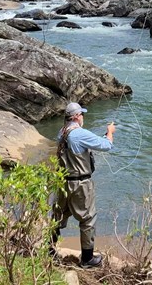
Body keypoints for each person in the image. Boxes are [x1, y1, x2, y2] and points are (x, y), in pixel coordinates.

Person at [51, 101, 116, 268]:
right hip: (80, 185)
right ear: (76, 117)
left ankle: (49, 251)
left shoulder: (62, 132)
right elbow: (107, 145)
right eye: (82, 115)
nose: (83, 117)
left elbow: (80, 146)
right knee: (88, 219)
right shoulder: (79, 133)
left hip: (63, 182)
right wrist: (110, 132)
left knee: (58, 216)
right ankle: (87, 259)